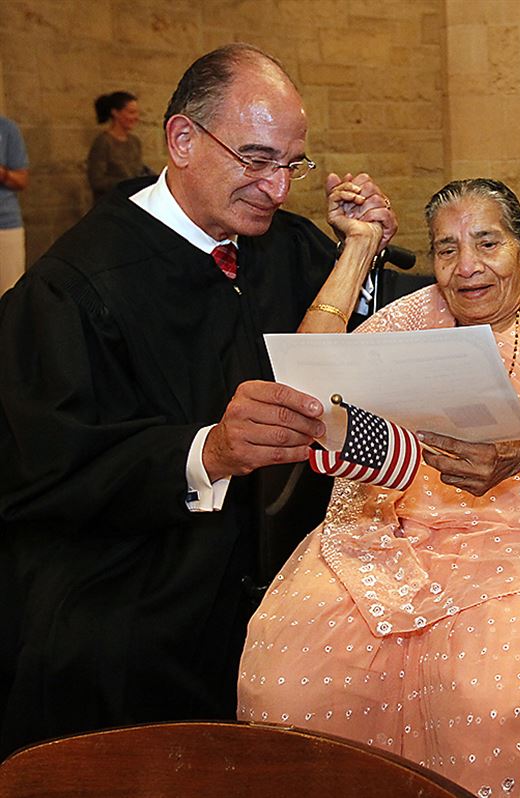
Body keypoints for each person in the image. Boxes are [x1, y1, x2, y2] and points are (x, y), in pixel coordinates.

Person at [0, 43, 397, 757]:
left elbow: (339, 344)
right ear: (182, 139)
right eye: (256, 159)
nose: (277, 189)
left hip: (290, 541)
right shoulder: (74, 286)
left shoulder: (280, 242)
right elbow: (44, 467)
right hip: (141, 561)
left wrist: (361, 253)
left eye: (290, 163)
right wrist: (205, 451)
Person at [238, 178, 520, 797]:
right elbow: (310, 378)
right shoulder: (419, 315)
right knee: (290, 681)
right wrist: (360, 248)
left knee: (492, 695)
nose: (466, 267)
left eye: (487, 242)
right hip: (393, 531)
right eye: (446, 250)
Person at [87, 90, 154, 204]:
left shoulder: (134, 141)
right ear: (115, 113)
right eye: (131, 112)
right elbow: (97, 181)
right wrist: (128, 184)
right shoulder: (103, 142)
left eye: (137, 113)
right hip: (111, 205)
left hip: (132, 203)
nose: (136, 117)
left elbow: (138, 169)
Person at [0, 115, 30, 294]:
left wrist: (3, 174)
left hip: (4, 225)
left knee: (8, 293)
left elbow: (22, 180)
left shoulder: (7, 129)